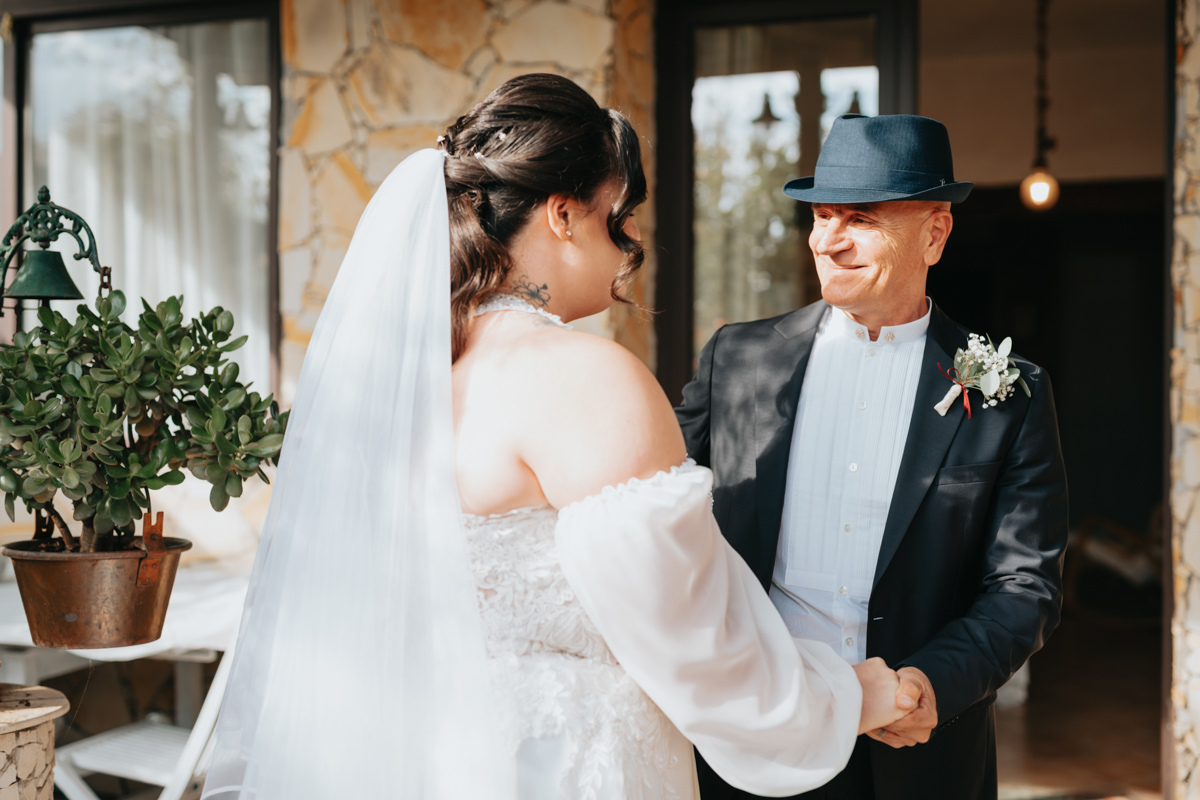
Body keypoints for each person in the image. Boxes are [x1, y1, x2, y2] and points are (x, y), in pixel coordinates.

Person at [202, 77, 917, 800]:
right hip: (561, 767)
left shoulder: (394, 385)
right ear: (565, 214)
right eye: (620, 216)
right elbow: (694, 639)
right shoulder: (586, 378)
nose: (631, 244)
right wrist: (845, 697)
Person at [676, 114, 1069, 800]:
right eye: (821, 216)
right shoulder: (737, 359)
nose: (828, 240)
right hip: (758, 740)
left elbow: (1024, 584)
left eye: (859, 218)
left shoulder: (1011, 393)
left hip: (920, 753)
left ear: (934, 234)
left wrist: (932, 684)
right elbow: (664, 516)